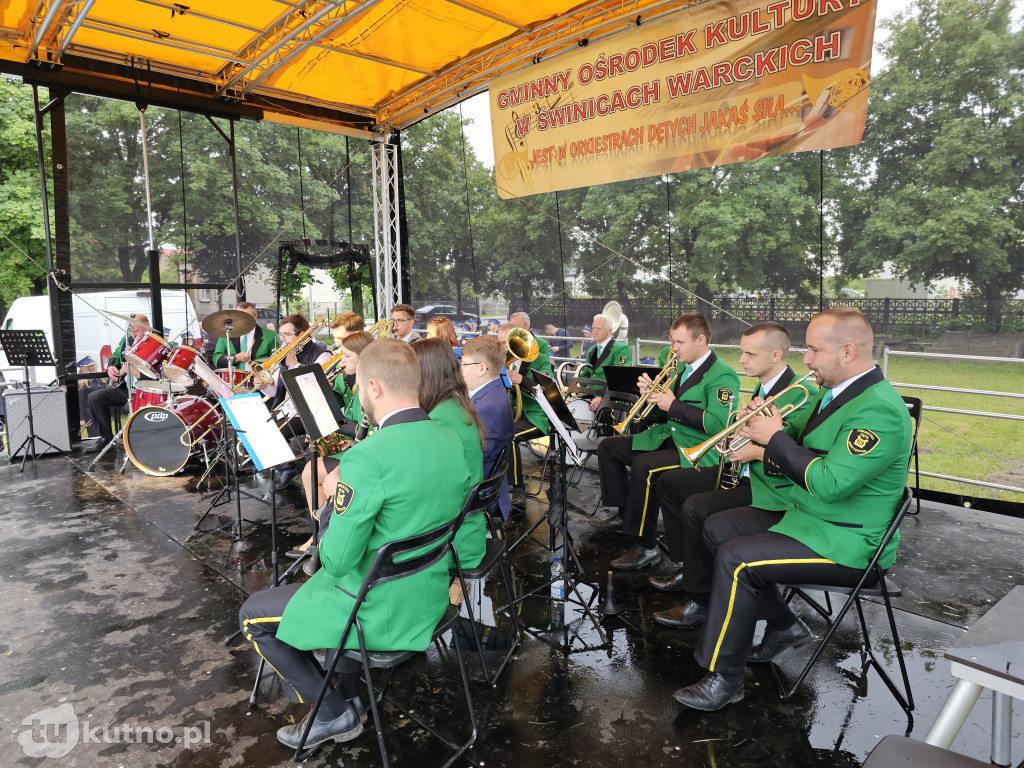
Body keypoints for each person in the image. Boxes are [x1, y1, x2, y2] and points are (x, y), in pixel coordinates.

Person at [671, 307, 912, 712]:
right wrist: (761, 424)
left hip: (849, 542)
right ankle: (784, 626)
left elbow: (830, 482)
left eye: (815, 350)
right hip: (811, 518)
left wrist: (776, 437)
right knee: (716, 528)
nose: (807, 359)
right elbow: (802, 445)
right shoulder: (838, 394)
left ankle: (725, 678)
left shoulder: (880, 409)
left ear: (848, 351)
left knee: (738, 559)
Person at [239, 339, 471, 749]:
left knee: (253, 614)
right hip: (431, 594)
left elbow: (336, 560)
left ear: (375, 388)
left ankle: (333, 712)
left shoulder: (368, 457)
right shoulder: (449, 436)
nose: (359, 393)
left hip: (375, 607)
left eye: (360, 385)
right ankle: (348, 692)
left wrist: (327, 509)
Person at [649, 322, 817, 628]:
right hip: (748, 474)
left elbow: (800, 456)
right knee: (672, 484)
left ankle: (700, 597)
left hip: (772, 488)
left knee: (698, 510)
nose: (742, 360)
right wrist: (743, 426)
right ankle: (692, 568)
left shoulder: (804, 395)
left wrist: (755, 451)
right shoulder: (765, 385)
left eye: (750, 354)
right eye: (742, 352)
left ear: (776, 355)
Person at [592, 313, 739, 571]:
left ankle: (646, 546)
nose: (674, 348)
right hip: (669, 436)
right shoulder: (680, 367)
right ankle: (625, 513)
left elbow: (720, 425)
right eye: (672, 341)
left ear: (701, 340)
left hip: (696, 449)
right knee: (609, 447)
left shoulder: (722, 375)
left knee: (645, 467)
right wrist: (652, 398)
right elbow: (666, 413)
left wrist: (673, 404)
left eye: (679, 342)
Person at [291, 330, 375, 559]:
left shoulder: (370, 385)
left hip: (365, 448)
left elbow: (368, 425)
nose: (341, 360)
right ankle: (319, 532)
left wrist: (346, 429)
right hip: (352, 443)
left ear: (363, 358)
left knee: (311, 471)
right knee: (309, 470)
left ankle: (323, 534)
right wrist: (322, 391)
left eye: (347, 356)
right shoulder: (343, 377)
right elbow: (336, 404)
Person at [413, 338, 486, 567]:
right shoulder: (454, 405)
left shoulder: (440, 418)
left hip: (454, 542)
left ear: (425, 374)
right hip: (466, 531)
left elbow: (429, 491)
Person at [498, 321, 552, 511]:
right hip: (511, 413)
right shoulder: (500, 361)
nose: (503, 348)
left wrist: (522, 380)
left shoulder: (541, 359)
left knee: (509, 437)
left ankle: (518, 488)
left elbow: (547, 391)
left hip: (534, 416)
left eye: (505, 344)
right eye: (500, 343)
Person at [461, 335, 514, 520]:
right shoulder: (492, 391)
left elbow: (476, 458)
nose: (460, 370)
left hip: (480, 492)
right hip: (482, 479)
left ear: (482, 368)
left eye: (464, 364)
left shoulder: (488, 407)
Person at [86, 313, 151, 452]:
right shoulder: (127, 339)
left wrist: (138, 373)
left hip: (145, 390)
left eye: (136, 331)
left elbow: (161, 373)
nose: (133, 334)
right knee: (95, 397)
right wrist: (110, 366)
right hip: (125, 388)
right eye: (131, 331)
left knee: (129, 407)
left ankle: (138, 444)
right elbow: (115, 354)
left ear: (147, 326)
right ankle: (105, 439)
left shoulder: (156, 343)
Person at [577, 313, 632, 414]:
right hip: (592, 399)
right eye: (593, 328)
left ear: (609, 331)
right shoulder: (590, 351)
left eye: (599, 328)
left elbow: (620, 378)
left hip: (611, 401)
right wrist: (573, 388)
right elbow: (587, 374)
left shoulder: (620, 348)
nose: (595, 332)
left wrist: (601, 397)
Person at [211, 301, 278, 370]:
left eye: (246, 316)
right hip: (234, 379)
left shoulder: (271, 335)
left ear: (255, 316)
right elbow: (216, 360)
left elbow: (276, 362)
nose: (242, 319)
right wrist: (236, 358)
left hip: (259, 379)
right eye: (238, 316)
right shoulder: (226, 334)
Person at [76, 357, 103, 439]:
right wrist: (81, 418)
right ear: (85, 368)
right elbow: (80, 402)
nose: (94, 367)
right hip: (90, 413)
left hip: (101, 411)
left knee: (104, 433)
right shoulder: (83, 384)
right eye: (90, 366)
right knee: (94, 435)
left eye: (94, 365)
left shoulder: (100, 379)